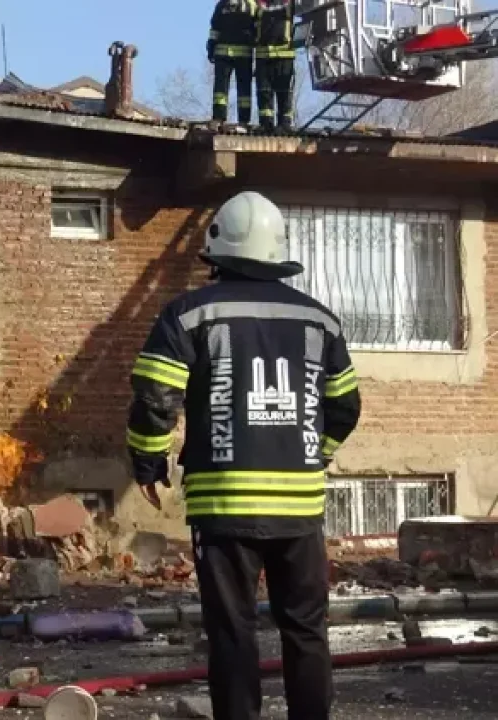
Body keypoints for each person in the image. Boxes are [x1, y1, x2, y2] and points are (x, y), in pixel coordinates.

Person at [125, 191, 362, 720]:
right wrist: (316, 454)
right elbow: (345, 407)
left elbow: (155, 397)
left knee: (233, 632)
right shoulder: (322, 321)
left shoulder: (189, 314)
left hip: (224, 505)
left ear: (216, 251)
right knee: (306, 629)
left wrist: (149, 462)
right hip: (300, 508)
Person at [209, 0, 260, 125]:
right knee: (242, 90)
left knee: (223, 89)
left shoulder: (223, 4)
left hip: (226, 53)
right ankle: (242, 120)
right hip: (241, 54)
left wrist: (211, 48)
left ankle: (220, 117)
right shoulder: (251, 5)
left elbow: (215, 28)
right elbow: (257, 30)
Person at [257, 0, 298, 130]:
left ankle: (285, 124)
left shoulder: (291, 3)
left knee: (284, 93)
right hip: (263, 56)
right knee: (264, 93)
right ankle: (265, 124)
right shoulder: (256, 3)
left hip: (284, 55)